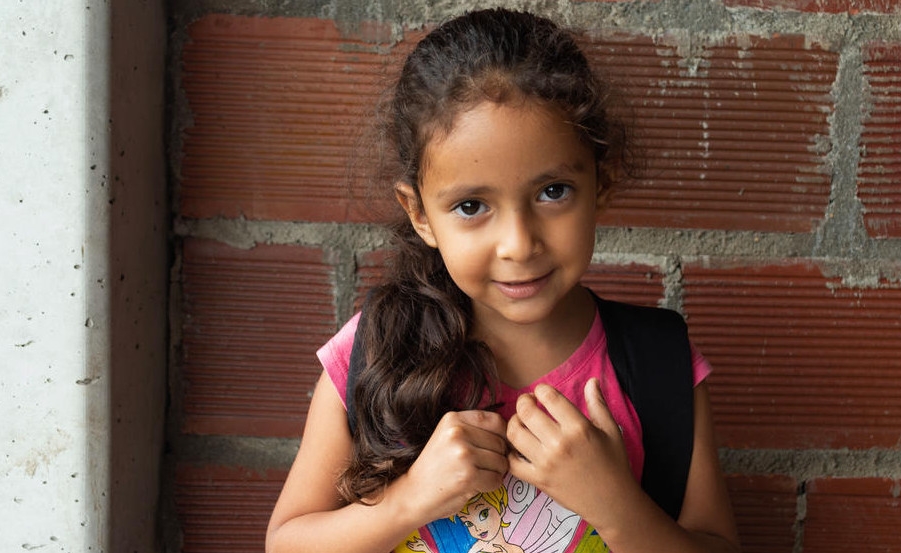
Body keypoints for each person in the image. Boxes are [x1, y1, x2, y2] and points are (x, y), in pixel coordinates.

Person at [265, 8, 740, 553]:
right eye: (471, 205)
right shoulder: (374, 351)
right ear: (420, 215)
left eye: (553, 192)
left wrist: (616, 506)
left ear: (600, 184)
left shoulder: (659, 368)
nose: (519, 243)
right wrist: (410, 499)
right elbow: (287, 543)